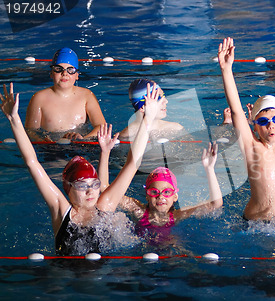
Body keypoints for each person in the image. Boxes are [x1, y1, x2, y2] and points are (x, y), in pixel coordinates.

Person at [0, 82, 160, 255]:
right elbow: (32, 162)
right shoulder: (61, 210)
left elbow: (132, 163)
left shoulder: (106, 206)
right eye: (83, 186)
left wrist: (148, 119)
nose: (91, 192)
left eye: (94, 184)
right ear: (68, 188)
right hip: (66, 277)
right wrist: (14, 119)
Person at [217, 27, 275, 225]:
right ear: (254, 126)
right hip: (255, 224)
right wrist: (226, 69)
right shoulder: (252, 147)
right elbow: (236, 111)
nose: (271, 126)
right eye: (263, 121)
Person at [99, 131, 222, 244]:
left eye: (167, 192)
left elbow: (215, 204)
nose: (161, 196)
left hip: (169, 247)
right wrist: (105, 152)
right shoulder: (137, 210)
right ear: (147, 196)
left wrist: (210, 169)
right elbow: (105, 190)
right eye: (154, 191)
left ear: (175, 196)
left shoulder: (179, 215)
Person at [25, 47, 106, 141]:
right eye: (58, 69)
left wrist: (82, 140)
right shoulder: (39, 98)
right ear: (51, 73)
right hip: (50, 148)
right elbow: (30, 131)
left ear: (77, 75)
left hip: (81, 146)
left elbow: (101, 127)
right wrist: (44, 141)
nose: (64, 73)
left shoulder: (87, 96)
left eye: (70, 70)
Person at [119, 79, 185, 141]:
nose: (166, 101)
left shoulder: (176, 128)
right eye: (158, 98)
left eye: (163, 96)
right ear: (142, 107)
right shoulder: (126, 136)